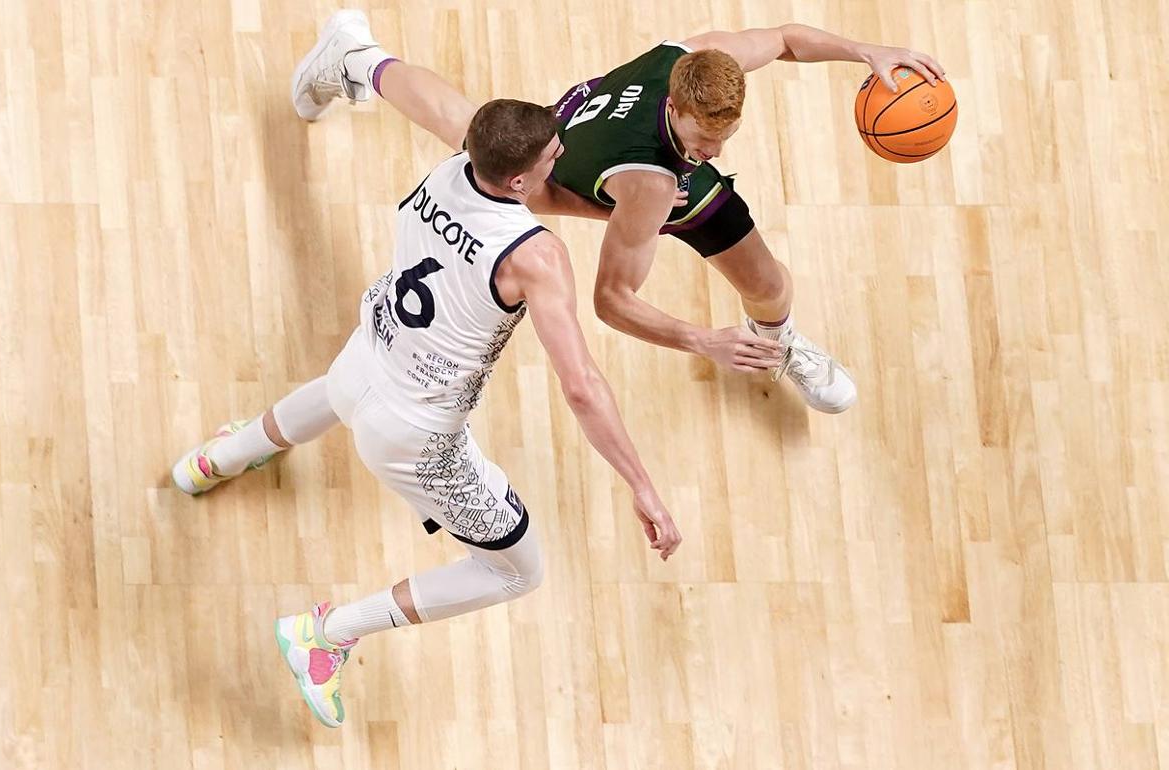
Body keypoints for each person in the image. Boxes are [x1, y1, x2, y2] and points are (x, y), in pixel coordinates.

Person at [170, 96, 688, 727]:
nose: (564, 155)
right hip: (416, 437)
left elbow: (510, 185)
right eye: (555, 152)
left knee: (335, 392)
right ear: (519, 180)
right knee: (517, 572)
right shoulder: (538, 257)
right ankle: (326, 634)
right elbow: (580, 386)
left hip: (370, 350)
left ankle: (216, 459)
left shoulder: (452, 167)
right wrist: (643, 488)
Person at [291, 11, 946, 413]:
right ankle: (760, 345)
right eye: (700, 140)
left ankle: (356, 54)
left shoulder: (690, 61)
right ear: (675, 110)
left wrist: (867, 52)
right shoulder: (651, 184)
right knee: (478, 140)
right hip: (606, 176)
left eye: (723, 138)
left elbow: (783, 38)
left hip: (570, 125)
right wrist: (700, 338)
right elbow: (610, 299)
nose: (712, 150)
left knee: (469, 124)